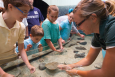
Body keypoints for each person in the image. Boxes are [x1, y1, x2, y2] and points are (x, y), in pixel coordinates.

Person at [58, 0, 115, 77]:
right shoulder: (97, 33)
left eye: (78, 24)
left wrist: (77, 72)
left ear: (93, 18)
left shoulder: (112, 29)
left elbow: (107, 73)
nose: (77, 28)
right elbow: (88, 59)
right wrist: (71, 65)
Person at [0, 0, 35, 77]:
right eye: (24, 12)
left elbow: (21, 49)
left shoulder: (21, 27)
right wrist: (3, 74)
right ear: (10, 7)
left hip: (13, 60)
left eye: (27, 13)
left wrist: (29, 65)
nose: (26, 16)